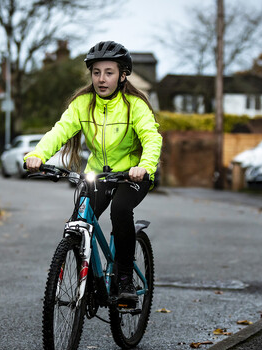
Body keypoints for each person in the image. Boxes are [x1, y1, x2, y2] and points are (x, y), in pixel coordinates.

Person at [25, 40, 162, 306]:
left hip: (131, 175)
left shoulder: (135, 105)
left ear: (122, 75)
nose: (101, 79)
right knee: (79, 221)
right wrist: (37, 155)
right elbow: (60, 131)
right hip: (98, 174)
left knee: (120, 211)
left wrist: (144, 166)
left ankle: (124, 279)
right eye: (96, 72)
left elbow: (151, 138)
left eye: (109, 72)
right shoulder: (82, 104)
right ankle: (86, 279)